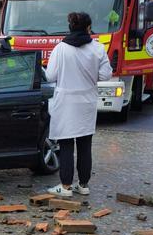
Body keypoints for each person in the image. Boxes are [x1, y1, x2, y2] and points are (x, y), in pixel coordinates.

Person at [44, 12, 113, 197]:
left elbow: (50, 76)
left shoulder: (60, 49)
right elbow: (106, 75)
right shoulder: (98, 49)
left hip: (65, 102)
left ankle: (65, 186)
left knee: (66, 144)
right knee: (85, 144)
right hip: (87, 101)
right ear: (88, 28)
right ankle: (83, 185)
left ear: (70, 27)